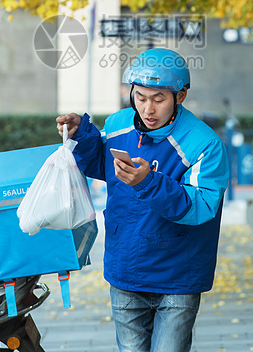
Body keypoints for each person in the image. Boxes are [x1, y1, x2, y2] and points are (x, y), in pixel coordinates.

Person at [56, 48, 229, 352]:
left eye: (159, 99)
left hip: (177, 277)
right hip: (126, 270)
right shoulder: (119, 123)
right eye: (140, 97)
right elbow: (103, 167)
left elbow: (202, 206)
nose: (148, 109)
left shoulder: (205, 145)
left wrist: (149, 182)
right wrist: (81, 136)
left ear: (181, 96)